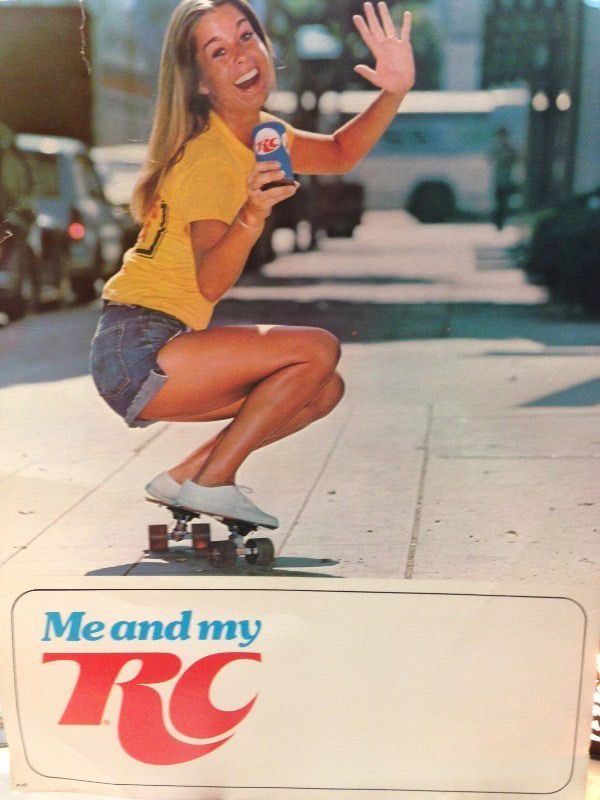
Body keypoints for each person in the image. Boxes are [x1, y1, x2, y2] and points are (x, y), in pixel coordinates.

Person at [90, 0, 415, 529]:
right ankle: (215, 482)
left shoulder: (261, 134)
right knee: (316, 348)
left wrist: (394, 90)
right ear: (199, 82)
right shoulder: (209, 159)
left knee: (320, 388)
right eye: (219, 51)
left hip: (151, 345)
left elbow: (337, 153)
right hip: (139, 346)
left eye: (246, 36)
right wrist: (251, 215)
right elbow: (211, 281)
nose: (242, 56)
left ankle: (188, 477)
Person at [490, 126, 518, 231]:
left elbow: (515, 158)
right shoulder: (497, 147)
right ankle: (498, 223)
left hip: (507, 180)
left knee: (504, 203)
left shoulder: (509, 148)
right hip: (499, 180)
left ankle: (501, 223)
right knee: (499, 203)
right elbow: (491, 158)